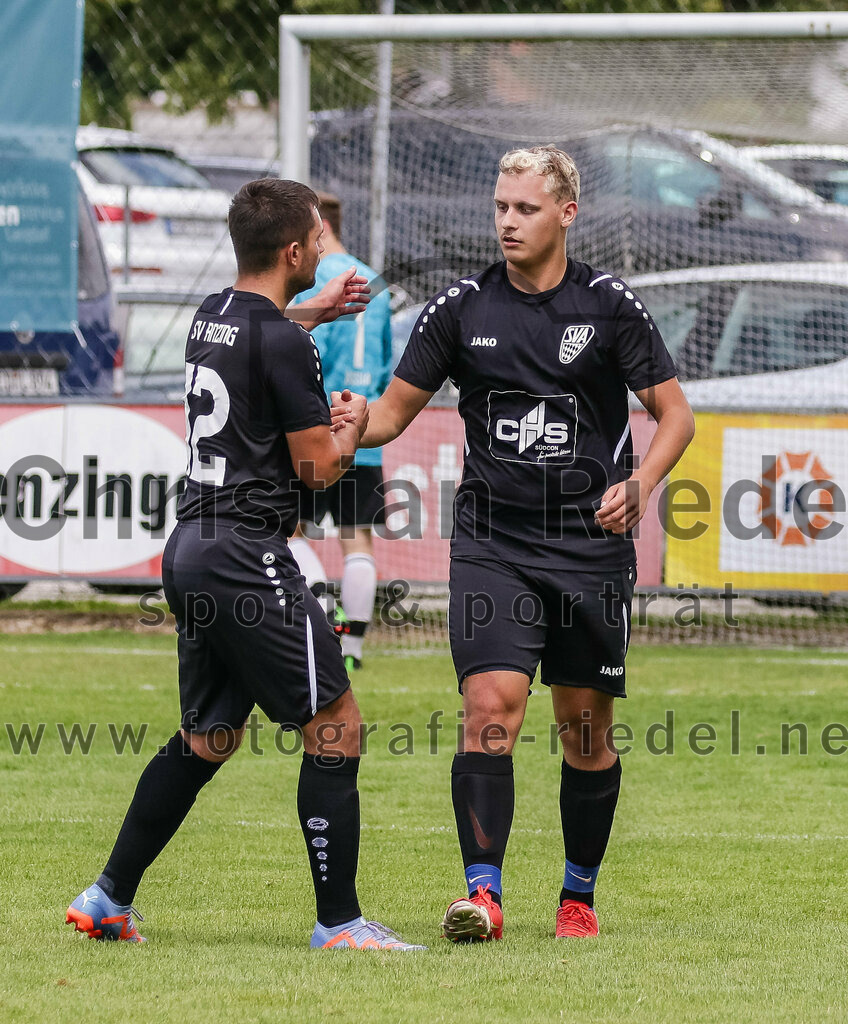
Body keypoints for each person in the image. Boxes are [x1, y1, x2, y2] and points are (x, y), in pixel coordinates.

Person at [344, 145, 695, 941]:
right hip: (492, 545)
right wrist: (349, 418)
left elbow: (675, 416)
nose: (508, 221)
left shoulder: (609, 305)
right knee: (488, 709)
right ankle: (484, 894)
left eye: (525, 208)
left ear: (565, 213)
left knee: (583, 729)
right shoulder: (459, 308)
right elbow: (394, 413)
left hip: (589, 550)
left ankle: (577, 895)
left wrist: (640, 487)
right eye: (500, 206)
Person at [66, 178, 424, 952]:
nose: (324, 257)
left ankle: (106, 898)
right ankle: (339, 924)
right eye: (317, 247)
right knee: (336, 724)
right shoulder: (286, 343)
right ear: (294, 252)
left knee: (210, 735)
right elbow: (319, 474)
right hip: (245, 555)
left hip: (191, 547)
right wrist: (351, 427)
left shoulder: (211, 315)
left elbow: (260, 330)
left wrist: (312, 315)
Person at [289, 192, 393, 672]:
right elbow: (389, 365)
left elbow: (303, 351)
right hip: (363, 433)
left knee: (290, 533)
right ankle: (353, 647)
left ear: (319, 228)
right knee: (358, 542)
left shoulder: (317, 282)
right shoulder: (377, 282)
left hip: (314, 429)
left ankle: (322, 620)